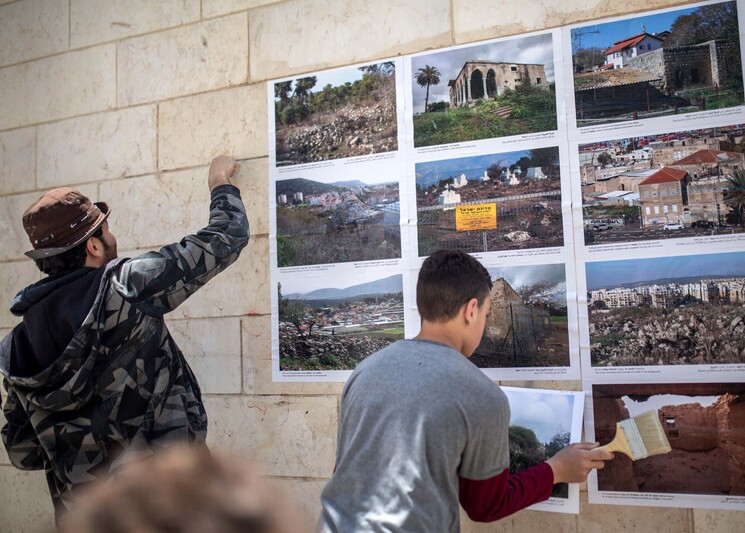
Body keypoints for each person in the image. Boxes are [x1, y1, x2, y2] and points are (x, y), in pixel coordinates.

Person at [0, 155, 249, 519]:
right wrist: (219, 183)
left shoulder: (17, 346)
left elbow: (23, 451)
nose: (111, 236)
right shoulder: (125, 286)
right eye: (105, 230)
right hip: (169, 510)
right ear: (94, 247)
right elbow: (228, 235)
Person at [318, 250, 613, 532]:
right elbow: (484, 505)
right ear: (471, 311)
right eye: (486, 314)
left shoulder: (364, 371)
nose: (483, 324)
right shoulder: (482, 395)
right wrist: (557, 470)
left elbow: (344, 469)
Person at [60, 446, 313, 533]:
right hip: (166, 494)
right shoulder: (147, 334)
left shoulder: (27, 350)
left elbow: (24, 454)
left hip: (95, 499)